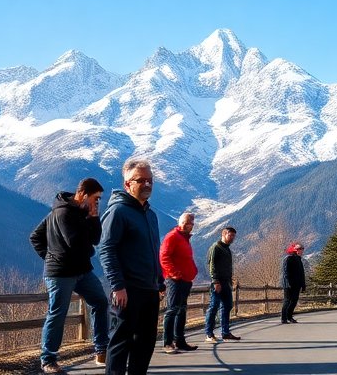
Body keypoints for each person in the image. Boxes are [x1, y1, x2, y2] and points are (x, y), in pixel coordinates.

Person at [30, 178, 109, 374]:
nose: (97, 202)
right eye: (95, 198)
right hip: (61, 274)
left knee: (100, 302)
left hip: (82, 271)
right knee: (57, 314)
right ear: (82, 194)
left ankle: (101, 349)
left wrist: (93, 217)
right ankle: (48, 359)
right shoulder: (62, 212)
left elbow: (95, 239)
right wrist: (51, 258)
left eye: (99, 199)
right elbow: (75, 244)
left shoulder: (84, 213)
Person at [98, 159, 163, 375]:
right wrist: (117, 286)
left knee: (145, 344)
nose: (147, 184)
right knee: (120, 344)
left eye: (150, 180)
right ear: (127, 184)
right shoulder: (118, 212)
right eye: (140, 180)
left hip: (149, 290)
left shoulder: (150, 215)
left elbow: (153, 251)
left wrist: (159, 282)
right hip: (126, 291)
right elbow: (106, 249)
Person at [159, 212, 198, 354]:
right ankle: (167, 343)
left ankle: (179, 341)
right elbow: (163, 256)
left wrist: (193, 271)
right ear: (181, 223)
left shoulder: (184, 238)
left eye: (192, 223)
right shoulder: (172, 237)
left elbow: (186, 258)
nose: (190, 226)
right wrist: (174, 273)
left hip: (186, 280)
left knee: (181, 310)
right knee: (172, 310)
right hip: (175, 281)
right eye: (188, 223)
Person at [204, 225, 240, 343]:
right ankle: (209, 334)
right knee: (214, 306)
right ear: (224, 234)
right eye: (230, 235)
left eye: (234, 236)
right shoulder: (216, 247)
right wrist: (215, 281)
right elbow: (211, 265)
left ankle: (225, 332)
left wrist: (230, 280)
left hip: (226, 282)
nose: (233, 238)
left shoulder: (227, 249)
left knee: (227, 306)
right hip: (218, 283)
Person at [279, 243, 306, 324]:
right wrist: (287, 283)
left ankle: (289, 317)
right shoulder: (288, 258)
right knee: (287, 300)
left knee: (294, 300)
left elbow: (301, 273)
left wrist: (303, 284)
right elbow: (285, 272)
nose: (302, 251)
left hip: (296, 284)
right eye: (300, 249)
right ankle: (283, 318)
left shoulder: (299, 259)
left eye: (302, 249)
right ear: (295, 250)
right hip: (288, 284)